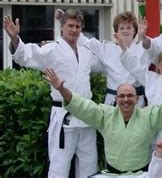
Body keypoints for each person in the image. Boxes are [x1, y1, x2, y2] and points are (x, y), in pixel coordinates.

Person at [42, 68, 162, 175]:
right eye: (122, 96)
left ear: (137, 98)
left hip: (140, 175)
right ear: (116, 99)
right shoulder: (105, 115)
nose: (126, 99)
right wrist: (62, 89)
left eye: (130, 96)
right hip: (111, 174)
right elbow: (83, 106)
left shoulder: (149, 116)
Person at [3, 10, 101, 177]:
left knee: (89, 167)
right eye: (70, 25)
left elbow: (107, 66)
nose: (74, 30)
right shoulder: (52, 49)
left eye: (78, 26)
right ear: (62, 27)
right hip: (64, 116)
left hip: (86, 116)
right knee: (59, 167)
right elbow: (25, 56)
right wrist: (14, 38)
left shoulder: (86, 52)